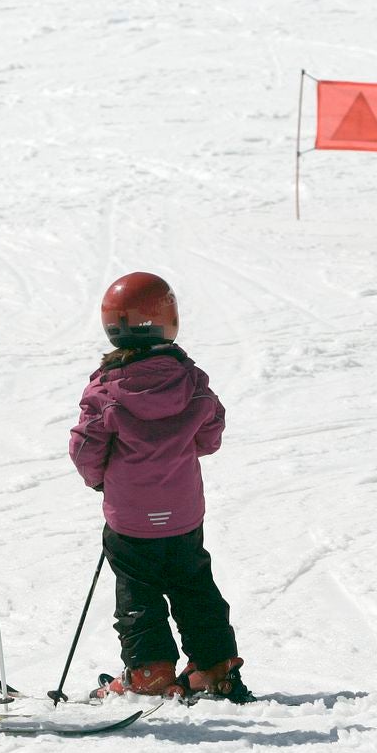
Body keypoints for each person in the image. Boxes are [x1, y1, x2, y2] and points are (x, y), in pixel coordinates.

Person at [68, 272, 253, 703]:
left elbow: (85, 446)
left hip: (131, 518)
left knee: (138, 592)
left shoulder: (106, 387)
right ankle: (214, 666)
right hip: (183, 512)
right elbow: (210, 434)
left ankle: (150, 671)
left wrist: (99, 479)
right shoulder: (189, 381)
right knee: (194, 586)